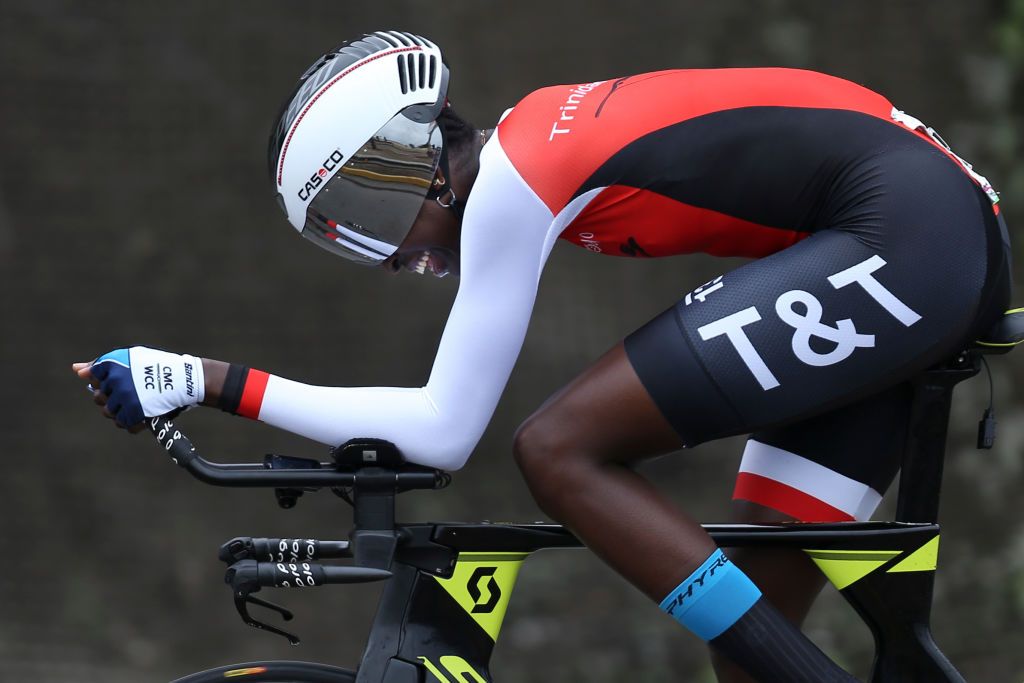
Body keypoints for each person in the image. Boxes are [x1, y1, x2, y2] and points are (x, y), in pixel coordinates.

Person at [74, 31, 1012, 682]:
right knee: (751, 644)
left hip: (910, 233)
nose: (393, 253)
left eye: (371, 217)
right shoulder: (535, 141)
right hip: (919, 231)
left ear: (419, 161)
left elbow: (443, 431)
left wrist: (207, 380)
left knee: (556, 449)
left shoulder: (519, 175)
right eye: (349, 238)